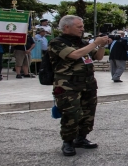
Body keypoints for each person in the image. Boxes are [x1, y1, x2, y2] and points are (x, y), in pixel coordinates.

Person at [48, 15, 110, 156]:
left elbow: (98, 57)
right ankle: (68, 142)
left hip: (87, 84)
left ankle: (81, 138)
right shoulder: (57, 43)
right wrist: (94, 43)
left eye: (82, 26)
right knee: (71, 114)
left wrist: (101, 45)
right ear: (66, 27)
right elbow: (75, 55)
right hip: (68, 85)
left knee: (88, 113)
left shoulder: (82, 43)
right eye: (79, 27)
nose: (82, 29)